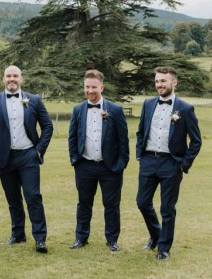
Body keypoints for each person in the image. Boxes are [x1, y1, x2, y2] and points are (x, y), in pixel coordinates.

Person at [0, 65, 53, 253]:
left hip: (28, 156)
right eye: (8, 76)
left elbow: (47, 126)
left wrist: (39, 151)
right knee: (13, 199)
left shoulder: (34, 100)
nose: (12, 79)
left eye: (15, 76)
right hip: (4, 158)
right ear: (3, 79)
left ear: (21, 79)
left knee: (33, 196)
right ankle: (18, 234)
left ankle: (40, 239)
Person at [136, 66, 202, 261]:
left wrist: (183, 164)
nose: (159, 85)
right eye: (157, 81)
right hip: (148, 161)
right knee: (142, 203)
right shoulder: (148, 104)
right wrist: (141, 155)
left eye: (163, 81)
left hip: (171, 164)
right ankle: (156, 235)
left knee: (167, 208)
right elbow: (141, 131)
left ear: (174, 82)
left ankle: (163, 248)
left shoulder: (185, 108)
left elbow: (196, 141)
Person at [68, 69, 129, 252]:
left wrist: (120, 165)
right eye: (87, 87)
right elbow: (72, 137)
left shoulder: (115, 110)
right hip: (85, 165)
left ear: (101, 87)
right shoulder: (78, 110)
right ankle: (81, 238)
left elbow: (123, 140)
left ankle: (112, 240)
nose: (90, 90)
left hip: (110, 167)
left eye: (93, 87)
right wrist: (75, 160)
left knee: (111, 205)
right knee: (84, 204)